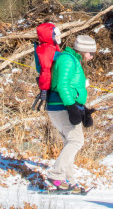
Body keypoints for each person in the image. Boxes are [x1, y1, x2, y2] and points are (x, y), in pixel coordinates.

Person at [45, 34, 97, 192]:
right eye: (91, 53)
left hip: (61, 106)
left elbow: (72, 87)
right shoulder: (68, 60)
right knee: (76, 141)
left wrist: (82, 108)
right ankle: (56, 175)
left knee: (70, 142)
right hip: (61, 106)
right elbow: (62, 85)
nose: (92, 57)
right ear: (83, 50)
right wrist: (71, 107)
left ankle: (70, 182)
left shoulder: (73, 60)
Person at [32, 22, 61, 111]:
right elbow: (45, 70)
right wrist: (44, 89)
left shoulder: (52, 46)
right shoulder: (46, 50)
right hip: (49, 81)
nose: (58, 38)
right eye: (56, 36)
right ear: (49, 37)